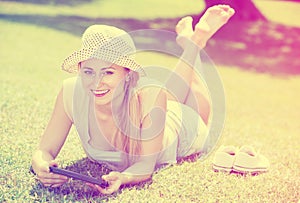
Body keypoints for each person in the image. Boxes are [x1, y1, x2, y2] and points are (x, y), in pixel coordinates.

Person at [31, 5, 235, 195]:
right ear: (79, 70)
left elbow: (145, 167)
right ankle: (190, 44)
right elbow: (44, 151)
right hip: (155, 109)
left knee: (195, 111)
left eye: (108, 72)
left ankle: (196, 42)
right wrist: (41, 164)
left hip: (181, 128)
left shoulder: (150, 98)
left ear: (127, 74)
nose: (96, 82)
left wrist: (124, 178)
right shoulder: (70, 92)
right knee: (167, 95)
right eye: (88, 71)